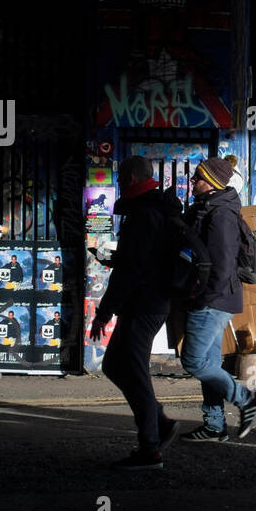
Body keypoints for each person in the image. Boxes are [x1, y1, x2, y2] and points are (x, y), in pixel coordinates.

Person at [91, 155, 192, 469]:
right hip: (147, 303)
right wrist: (113, 259)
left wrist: (104, 312)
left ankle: (150, 450)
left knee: (134, 372)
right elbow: (141, 261)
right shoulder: (153, 208)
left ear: (133, 176)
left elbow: (131, 272)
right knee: (114, 365)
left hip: (144, 305)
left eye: (122, 176)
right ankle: (159, 424)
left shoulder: (145, 213)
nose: (119, 181)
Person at [176, 156, 256, 443]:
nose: (192, 182)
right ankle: (214, 425)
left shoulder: (221, 214)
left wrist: (206, 297)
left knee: (194, 361)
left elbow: (223, 263)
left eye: (197, 178)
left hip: (214, 299)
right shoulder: (209, 209)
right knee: (209, 362)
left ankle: (246, 399)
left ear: (211, 184)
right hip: (213, 297)